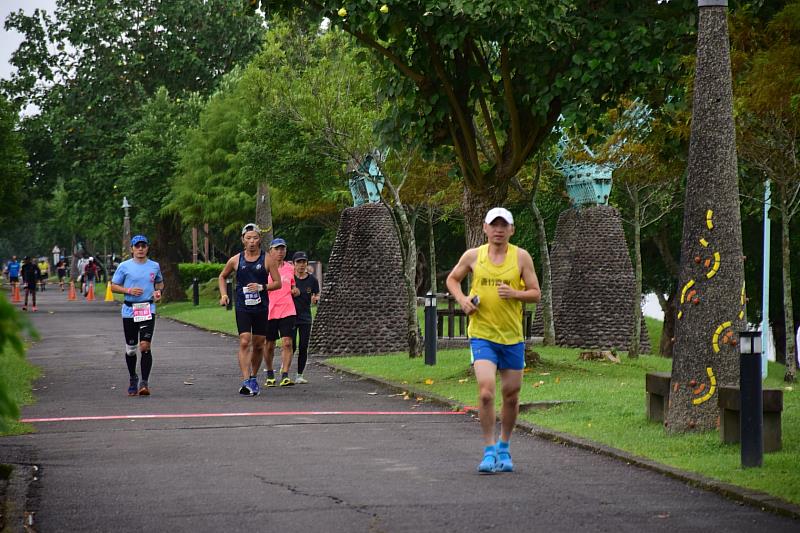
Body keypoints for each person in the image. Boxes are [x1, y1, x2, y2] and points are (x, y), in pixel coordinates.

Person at [446, 207, 541, 474]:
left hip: (512, 337)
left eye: (504, 225)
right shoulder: (474, 256)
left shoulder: (521, 257)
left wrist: (515, 293)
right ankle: (488, 451)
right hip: (482, 334)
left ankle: (504, 446)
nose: (498, 230)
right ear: (485, 228)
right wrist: (463, 300)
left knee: (511, 396)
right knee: (486, 392)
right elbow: (453, 279)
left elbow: (536, 294)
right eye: (493, 225)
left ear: (511, 230)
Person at [218, 224, 282, 396]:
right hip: (243, 306)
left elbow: (278, 283)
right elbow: (222, 276)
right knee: (245, 340)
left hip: (261, 307)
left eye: (255, 238)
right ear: (243, 240)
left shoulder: (267, 259)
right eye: (248, 238)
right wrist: (224, 295)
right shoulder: (236, 260)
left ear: (259, 239)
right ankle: (246, 379)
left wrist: (262, 287)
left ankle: (253, 377)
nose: (252, 241)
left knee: (259, 344)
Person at [110, 235, 164, 396]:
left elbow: (160, 282)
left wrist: (158, 291)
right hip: (129, 310)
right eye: (137, 246)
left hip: (147, 308)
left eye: (143, 246)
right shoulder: (124, 266)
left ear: (147, 248)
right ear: (132, 249)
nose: (140, 249)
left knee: (145, 345)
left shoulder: (154, 266)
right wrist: (128, 291)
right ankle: (133, 377)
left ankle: (144, 383)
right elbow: (113, 286)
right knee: (131, 349)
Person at [261, 238, 297, 387]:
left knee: (287, 342)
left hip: (288, 309)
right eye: (277, 249)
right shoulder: (264, 268)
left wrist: (294, 290)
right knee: (269, 344)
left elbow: (293, 284)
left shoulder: (290, 268)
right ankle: (270, 374)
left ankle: (285, 375)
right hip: (269, 310)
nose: (280, 252)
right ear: (270, 251)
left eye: (283, 249)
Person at [290, 251, 319, 384]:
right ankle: (285, 371)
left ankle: (299, 375)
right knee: (291, 346)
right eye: (299, 262)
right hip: (290, 316)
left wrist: (316, 298)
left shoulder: (312, 280)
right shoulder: (290, 278)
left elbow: (316, 294)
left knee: (303, 346)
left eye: (304, 262)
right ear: (293, 264)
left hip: (305, 317)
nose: (301, 265)